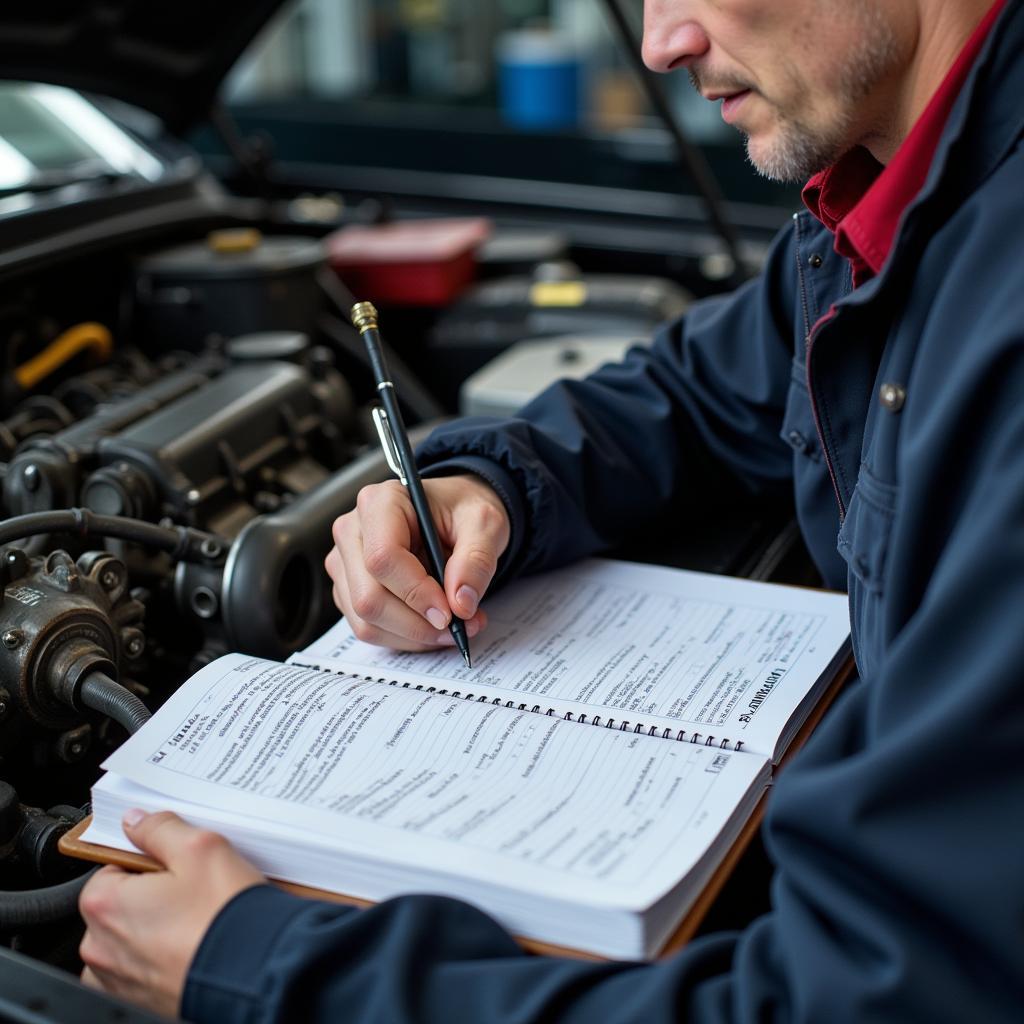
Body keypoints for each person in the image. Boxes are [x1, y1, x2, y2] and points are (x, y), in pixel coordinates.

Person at [77, 1, 1024, 1020]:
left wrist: (268, 969)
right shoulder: (887, 203)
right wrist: (486, 484)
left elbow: (869, 995)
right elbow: (701, 389)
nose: (662, 42)